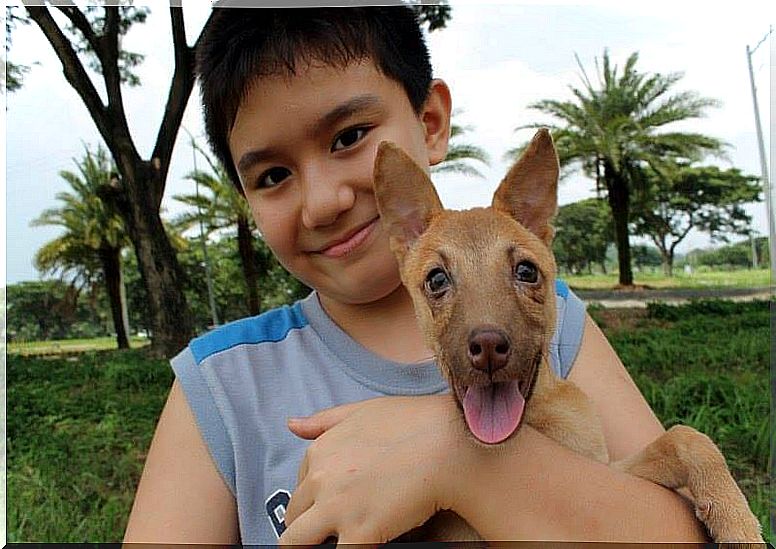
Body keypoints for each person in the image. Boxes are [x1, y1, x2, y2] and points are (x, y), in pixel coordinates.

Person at [124, 6, 708, 545]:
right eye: (273, 175)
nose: (323, 202)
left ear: (430, 122)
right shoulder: (223, 385)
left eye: (349, 137)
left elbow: (685, 529)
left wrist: (460, 463)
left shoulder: (552, 327)